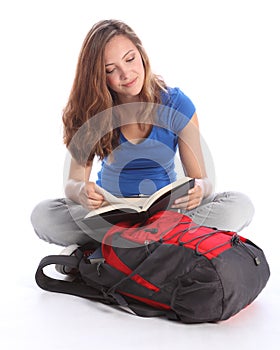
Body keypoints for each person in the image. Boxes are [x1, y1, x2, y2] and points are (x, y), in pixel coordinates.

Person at [31, 19, 254, 259]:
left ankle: (114, 247)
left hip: (167, 212)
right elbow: (73, 183)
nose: (125, 74)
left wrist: (200, 188)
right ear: (98, 76)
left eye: (129, 59)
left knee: (239, 206)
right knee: (43, 215)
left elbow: (202, 180)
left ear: (141, 54)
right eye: (110, 69)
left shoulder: (177, 104)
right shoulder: (93, 112)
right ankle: (157, 246)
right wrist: (82, 191)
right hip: (112, 209)